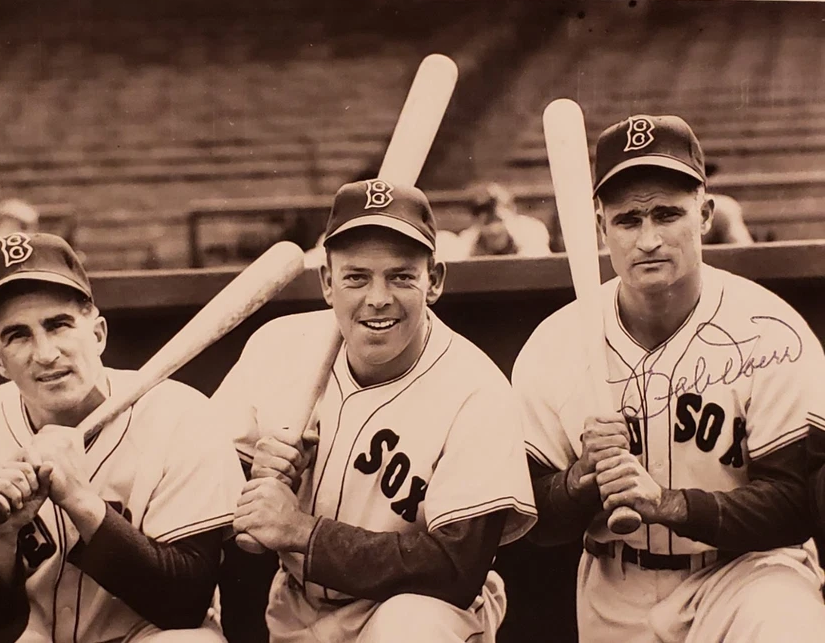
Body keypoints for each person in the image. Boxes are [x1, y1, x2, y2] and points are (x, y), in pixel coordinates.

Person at [512, 113, 825, 642]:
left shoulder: (771, 330)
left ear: (704, 213)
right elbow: (527, 519)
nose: (649, 239)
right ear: (599, 226)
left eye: (667, 214)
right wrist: (579, 480)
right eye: (629, 220)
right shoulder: (553, 346)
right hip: (615, 582)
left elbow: (798, 502)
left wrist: (671, 504)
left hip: (747, 573)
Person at [213, 178, 537, 642]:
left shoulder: (476, 390)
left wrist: (301, 531)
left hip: (425, 611)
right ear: (328, 283)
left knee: (411, 624)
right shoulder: (278, 347)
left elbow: (456, 568)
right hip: (298, 605)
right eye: (356, 277)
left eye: (401, 276)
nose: (378, 297)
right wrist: (251, 480)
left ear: (435, 280)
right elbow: (206, 499)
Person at [0, 232, 246, 642]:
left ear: (97, 334)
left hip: (146, 635)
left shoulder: (181, 414)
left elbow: (185, 604)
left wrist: (81, 502)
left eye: (58, 325)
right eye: (18, 335)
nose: (45, 353)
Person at [436, 182, 551, 261]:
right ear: (476, 221)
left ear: (513, 214)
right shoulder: (467, 243)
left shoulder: (531, 232)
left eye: (499, 220)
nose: (494, 230)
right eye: (488, 222)